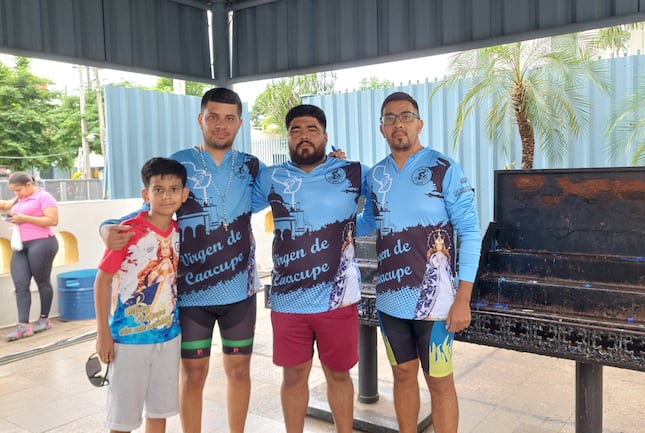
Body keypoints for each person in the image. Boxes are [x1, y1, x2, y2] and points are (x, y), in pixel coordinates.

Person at [100, 88, 266, 433]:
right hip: (190, 296)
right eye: (213, 116)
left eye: (229, 118)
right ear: (200, 119)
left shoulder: (252, 166)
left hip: (240, 292)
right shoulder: (180, 162)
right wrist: (106, 229)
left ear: (239, 122)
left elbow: (290, 185)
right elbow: (152, 207)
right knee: (193, 374)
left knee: (239, 371)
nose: (221, 125)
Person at [357, 92, 482, 433]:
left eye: (405, 116)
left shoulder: (444, 169)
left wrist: (462, 298)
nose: (398, 124)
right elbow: (368, 222)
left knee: (440, 383)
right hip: (389, 301)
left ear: (419, 124)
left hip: (438, 306)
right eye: (389, 118)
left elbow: (470, 232)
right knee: (402, 375)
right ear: (381, 129)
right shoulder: (376, 176)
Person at [255, 104, 367, 433]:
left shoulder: (352, 172)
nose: (304, 136)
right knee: (293, 376)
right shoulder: (271, 177)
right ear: (287, 138)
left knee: (338, 375)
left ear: (325, 136)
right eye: (296, 130)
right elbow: (231, 205)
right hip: (289, 301)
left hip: (338, 299)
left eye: (312, 129)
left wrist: (357, 227)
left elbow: (386, 199)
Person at [93, 157, 190, 433]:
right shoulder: (127, 232)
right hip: (128, 339)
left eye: (174, 189)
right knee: (122, 419)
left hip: (168, 337)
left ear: (184, 194)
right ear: (146, 194)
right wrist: (102, 334)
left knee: (159, 413)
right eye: (158, 189)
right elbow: (102, 281)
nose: (166, 196)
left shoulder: (179, 232)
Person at [1, 172, 60, 341]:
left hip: (42, 243)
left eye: (18, 190)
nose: (16, 194)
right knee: (20, 283)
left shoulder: (44, 197)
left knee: (42, 280)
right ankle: (23, 325)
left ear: (28, 184)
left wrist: (24, 218)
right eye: (14, 191)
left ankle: (44, 319)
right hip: (21, 245)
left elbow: (52, 220)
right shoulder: (20, 198)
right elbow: (5, 205)